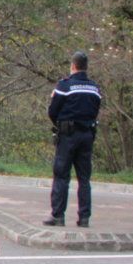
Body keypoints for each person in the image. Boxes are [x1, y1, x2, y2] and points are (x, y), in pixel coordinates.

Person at [44, 51, 102, 228]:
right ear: (86, 67)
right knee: (84, 178)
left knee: (61, 175)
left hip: (68, 135)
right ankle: (84, 218)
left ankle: (58, 216)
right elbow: (96, 109)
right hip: (87, 135)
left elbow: (52, 111)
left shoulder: (65, 86)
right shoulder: (95, 88)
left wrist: (61, 124)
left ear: (73, 66)